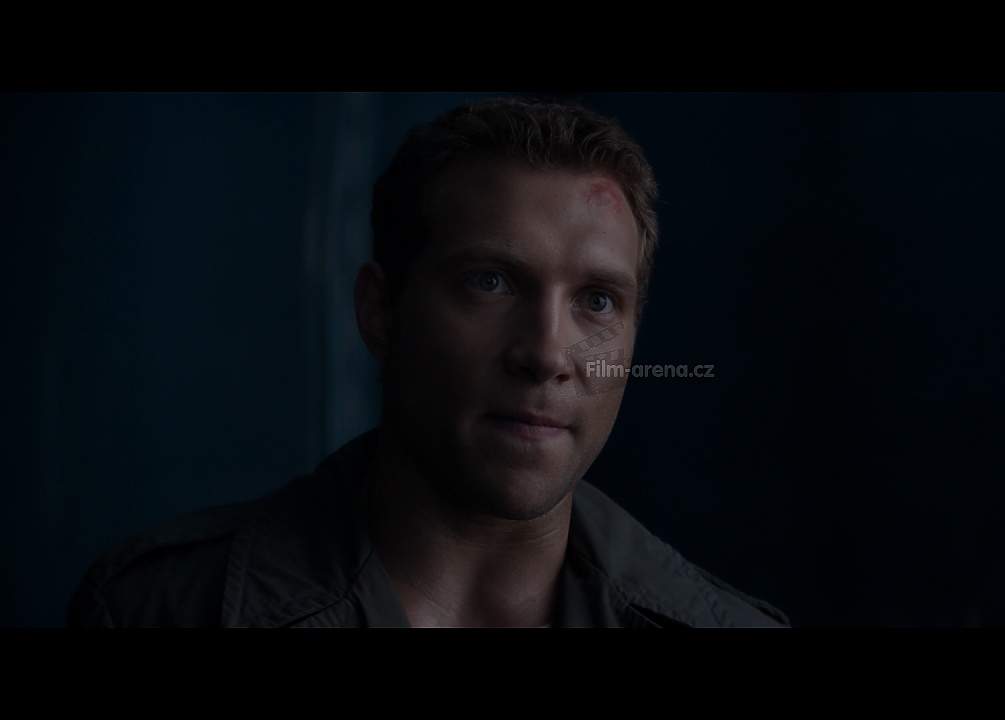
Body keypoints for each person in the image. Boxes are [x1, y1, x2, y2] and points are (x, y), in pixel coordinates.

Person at [66, 96, 788, 628]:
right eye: (491, 282)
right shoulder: (159, 611)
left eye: (597, 301)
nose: (547, 354)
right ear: (381, 311)